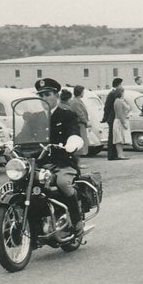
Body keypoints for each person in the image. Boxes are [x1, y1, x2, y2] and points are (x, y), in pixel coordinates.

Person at [35, 79, 84, 236]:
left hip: (63, 163)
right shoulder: (34, 118)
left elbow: (74, 133)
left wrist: (72, 142)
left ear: (56, 95)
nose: (44, 98)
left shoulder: (67, 115)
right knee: (23, 183)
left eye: (47, 94)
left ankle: (77, 221)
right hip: (40, 164)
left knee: (63, 183)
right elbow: (22, 136)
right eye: (41, 95)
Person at [102, 77, 125, 160]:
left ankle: (115, 154)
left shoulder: (114, 93)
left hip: (113, 117)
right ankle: (112, 155)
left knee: (114, 136)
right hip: (112, 117)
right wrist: (105, 117)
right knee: (112, 137)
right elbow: (107, 106)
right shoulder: (112, 93)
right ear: (118, 84)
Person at [67, 85, 90, 155]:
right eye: (83, 92)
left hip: (81, 123)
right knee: (81, 141)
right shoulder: (75, 102)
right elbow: (80, 113)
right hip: (79, 124)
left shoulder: (78, 101)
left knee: (84, 140)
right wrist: (86, 122)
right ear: (80, 92)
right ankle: (79, 155)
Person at [111, 85, 131, 159]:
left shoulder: (121, 100)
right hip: (119, 121)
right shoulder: (118, 101)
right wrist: (123, 123)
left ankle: (121, 154)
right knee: (119, 138)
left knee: (122, 138)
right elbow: (119, 113)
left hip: (122, 119)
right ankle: (120, 154)